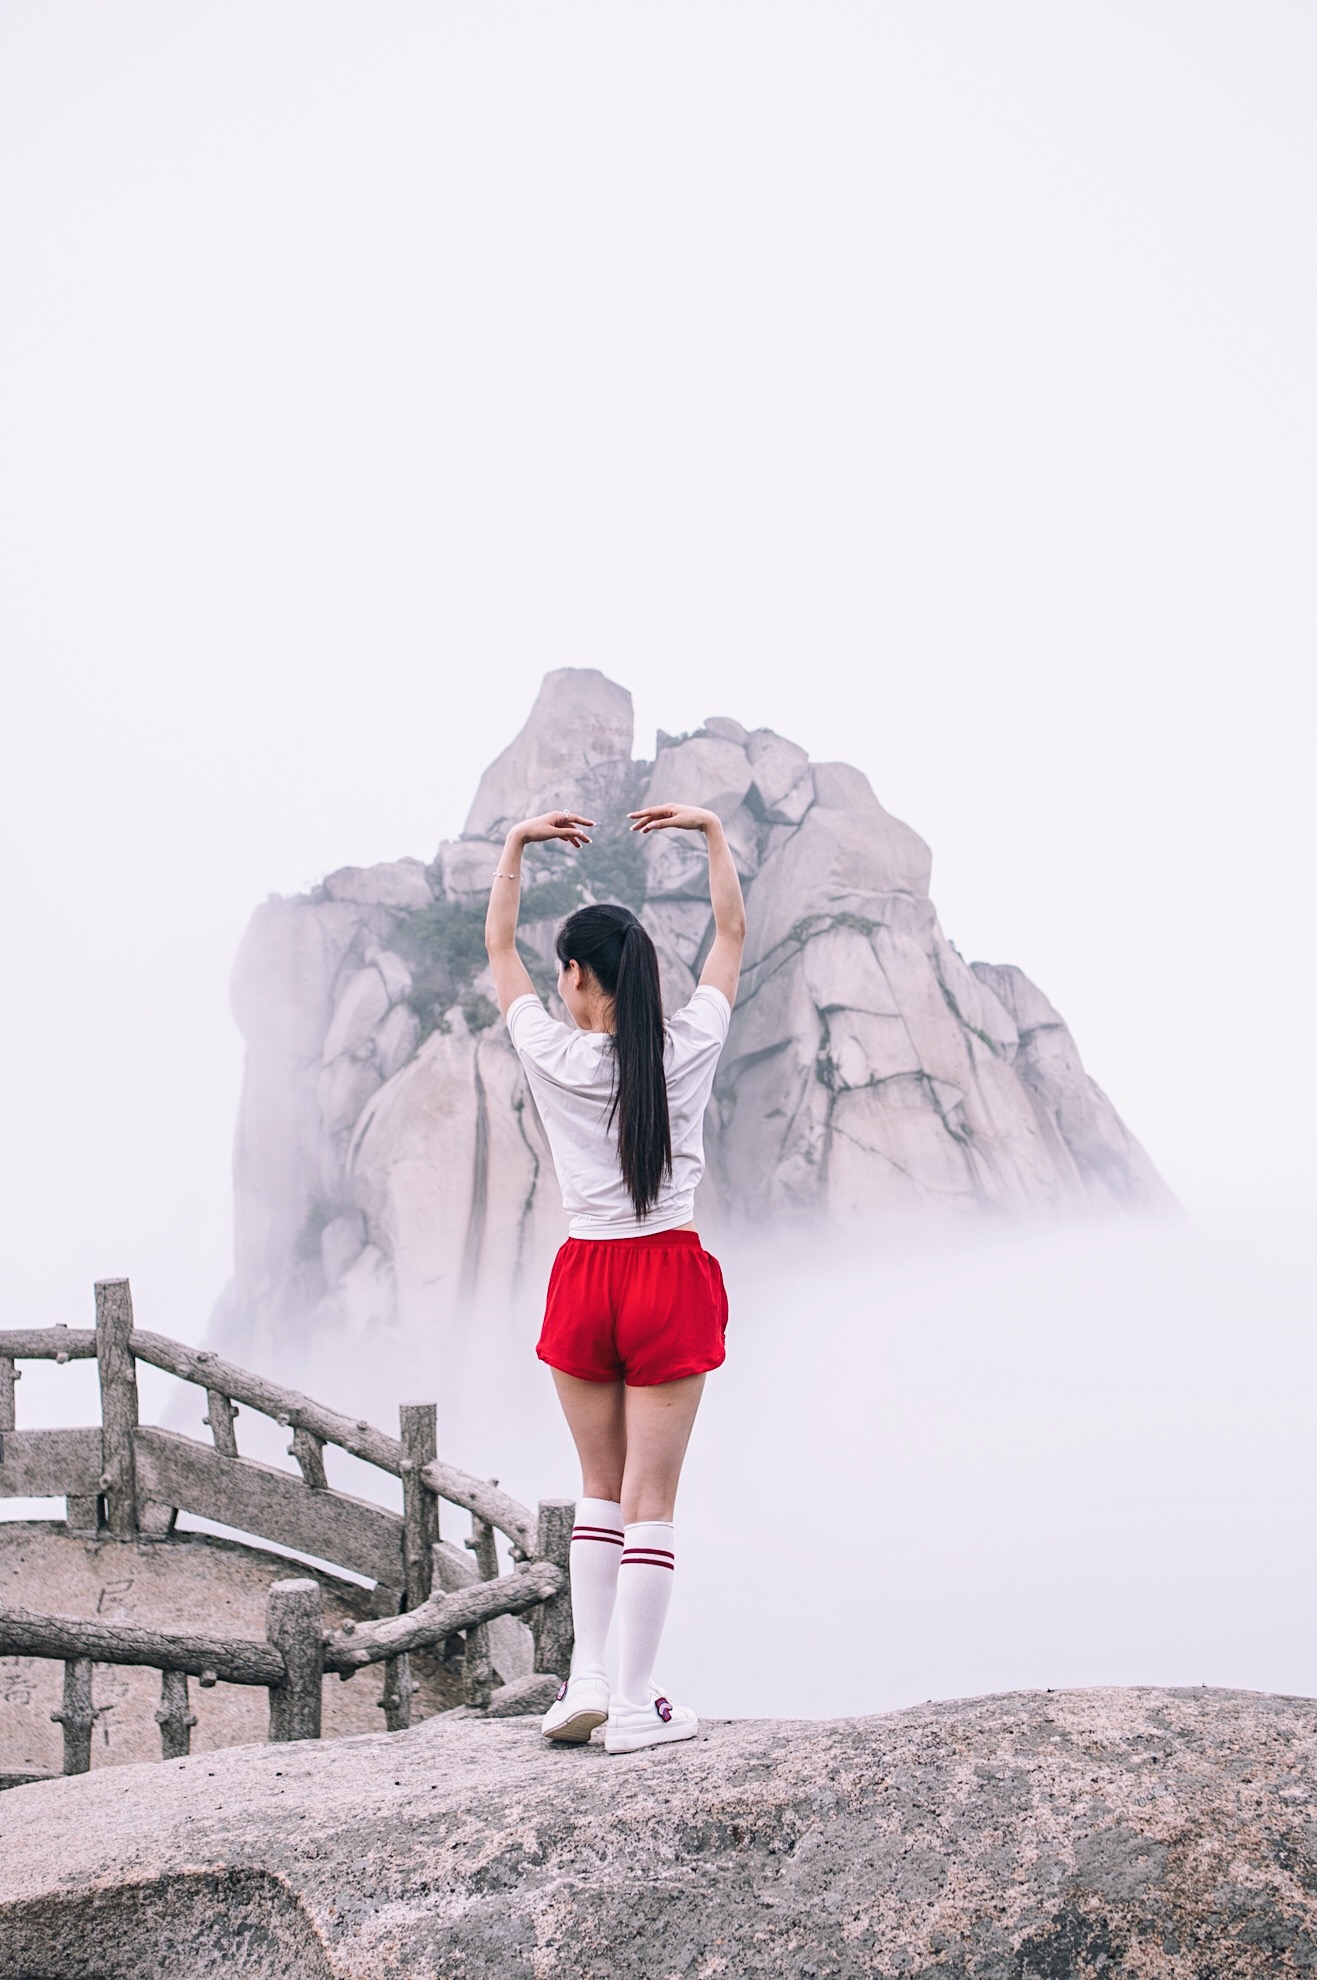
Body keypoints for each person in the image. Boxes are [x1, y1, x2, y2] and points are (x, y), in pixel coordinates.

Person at [483, 801, 746, 1753]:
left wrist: (515, 845)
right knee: (651, 1502)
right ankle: (633, 1705)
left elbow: (498, 948)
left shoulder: (550, 1052)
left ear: (575, 975)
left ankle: (584, 1680)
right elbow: (730, 935)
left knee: (597, 1488)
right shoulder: (690, 1045)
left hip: (586, 1276)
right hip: (667, 1274)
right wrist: (711, 834)